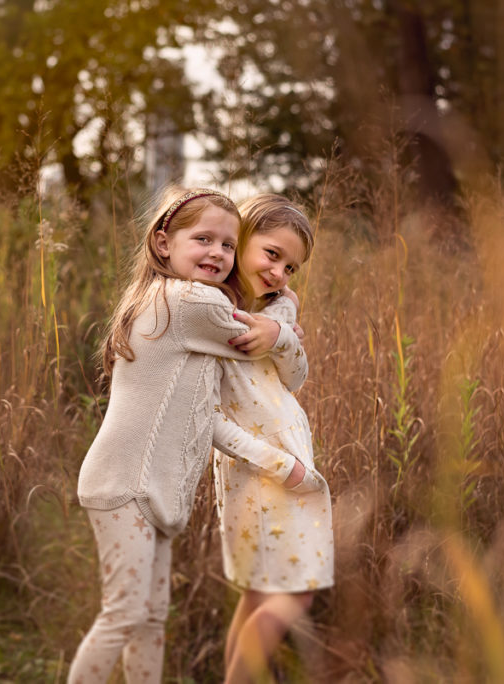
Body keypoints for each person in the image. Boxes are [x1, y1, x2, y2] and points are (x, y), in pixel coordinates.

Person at [69, 187, 321, 684]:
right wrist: (286, 310)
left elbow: (207, 417)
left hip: (149, 490)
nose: (217, 254)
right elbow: (256, 341)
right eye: (202, 239)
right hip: (126, 486)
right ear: (163, 243)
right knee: (123, 615)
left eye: (228, 245)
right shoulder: (188, 300)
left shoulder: (174, 301)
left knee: (150, 619)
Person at [212, 194, 334, 683]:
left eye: (292, 266)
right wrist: (287, 466)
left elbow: (296, 377)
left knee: (259, 594)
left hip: (286, 463)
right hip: (262, 471)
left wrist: (280, 333)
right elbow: (210, 415)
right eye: (271, 254)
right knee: (294, 595)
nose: (281, 272)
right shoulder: (212, 308)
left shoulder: (280, 306)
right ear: (240, 238)